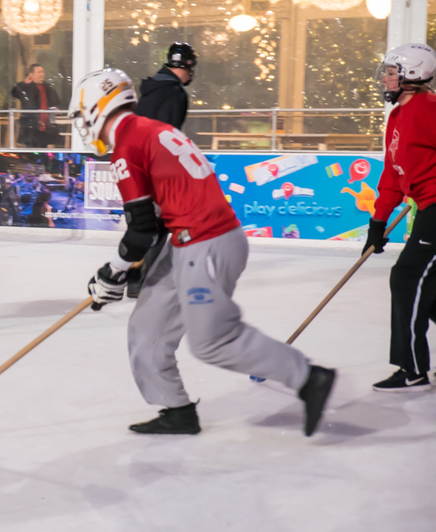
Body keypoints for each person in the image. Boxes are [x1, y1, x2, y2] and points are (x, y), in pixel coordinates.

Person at [70, 67, 335, 436]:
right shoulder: (153, 130)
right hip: (189, 240)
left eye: (83, 114)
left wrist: (110, 272)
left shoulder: (127, 146)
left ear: (100, 106)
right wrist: (123, 273)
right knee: (147, 329)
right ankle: (177, 410)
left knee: (212, 342)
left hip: (205, 242)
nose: (83, 124)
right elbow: (158, 220)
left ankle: (308, 377)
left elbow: (141, 231)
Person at [363, 43, 436, 392]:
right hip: (428, 207)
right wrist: (378, 223)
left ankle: (412, 369)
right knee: (430, 293)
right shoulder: (398, 115)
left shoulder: (429, 109)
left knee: (406, 278)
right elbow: (393, 176)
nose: (386, 79)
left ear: (412, 74)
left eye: (392, 72)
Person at [126, 42, 199, 299]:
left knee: (144, 224)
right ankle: (141, 279)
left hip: (137, 165)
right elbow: (167, 135)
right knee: (159, 225)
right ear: (186, 66)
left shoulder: (150, 90)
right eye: (192, 67)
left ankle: (134, 275)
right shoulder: (175, 94)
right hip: (155, 169)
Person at [11, 64, 62, 148]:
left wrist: (55, 108)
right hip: (31, 126)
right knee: (31, 151)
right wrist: (23, 83)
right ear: (32, 75)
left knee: (44, 151)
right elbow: (14, 93)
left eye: (42, 72)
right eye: (39, 72)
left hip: (45, 126)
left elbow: (54, 101)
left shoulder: (47, 87)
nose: (42, 74)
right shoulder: (26, 87)